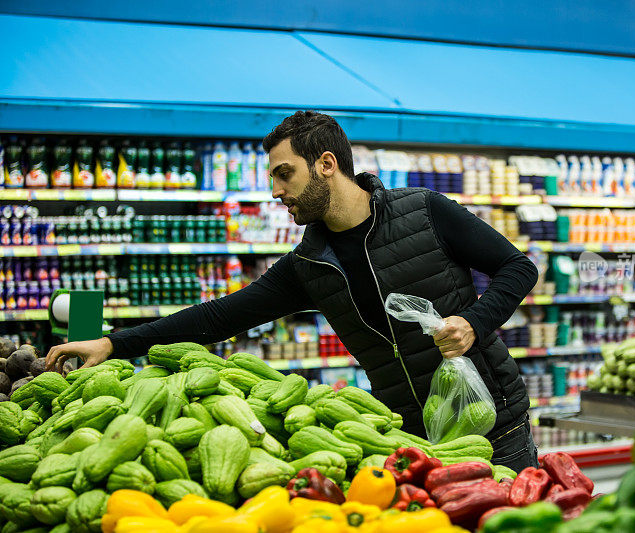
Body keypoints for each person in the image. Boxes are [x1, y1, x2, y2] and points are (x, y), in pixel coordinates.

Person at [46, 111, 539, 471]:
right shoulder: (308, 265)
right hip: (408, 436)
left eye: (285, 174)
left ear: (326, 164)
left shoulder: (424, 211)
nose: (276, 191)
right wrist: (113, 343)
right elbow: (218, 317)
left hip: (495, 422)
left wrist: (473, 323)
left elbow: (517, 268)